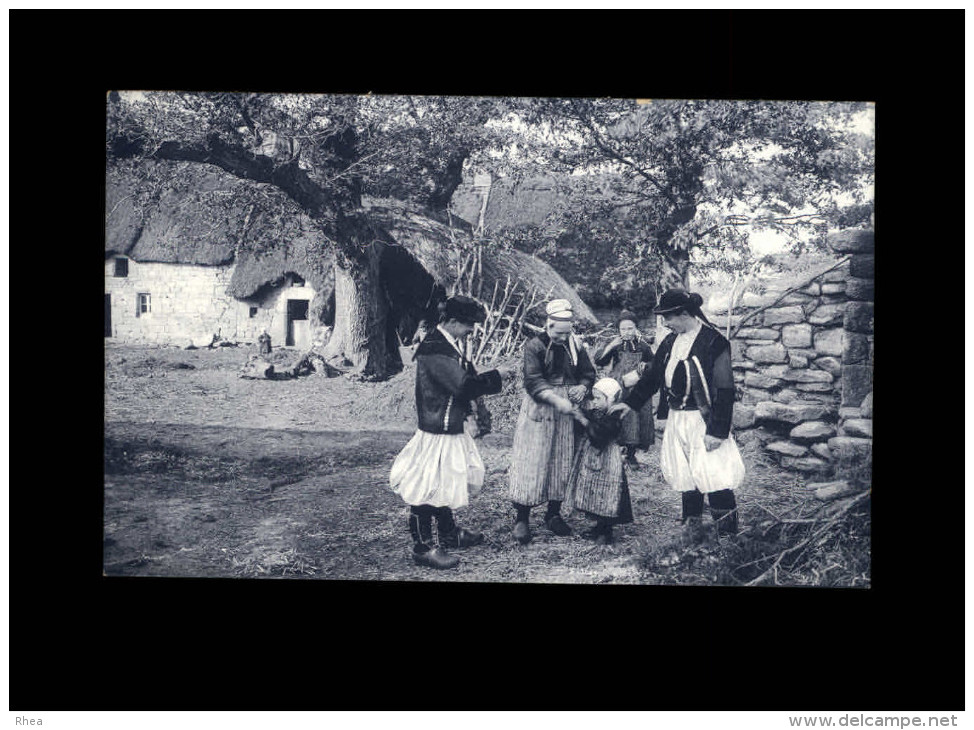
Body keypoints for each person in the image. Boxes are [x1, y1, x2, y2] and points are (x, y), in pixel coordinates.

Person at [609, 289, 745, 543]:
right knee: (687, 475)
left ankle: (728, 538)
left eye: (668, 318)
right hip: (678, 418)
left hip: (704, 420)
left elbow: (725, 389)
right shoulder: (671, 342)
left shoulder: (714, 342)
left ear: (683, 314)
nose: (666, 324)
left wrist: (717, 431)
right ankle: (692, 532)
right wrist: (628, 404)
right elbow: (652, 378)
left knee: (715, 476)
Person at [390, 295, 514, 569]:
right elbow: (463, 387)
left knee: (444, 480)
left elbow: (463, 380)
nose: (472, 330)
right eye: (469, 324)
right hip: (437, 428)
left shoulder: (447, 344)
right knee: (427, 486)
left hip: (448, 426)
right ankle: (422, 547)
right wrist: (496, 376)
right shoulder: (435, 349)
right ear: (453, 321)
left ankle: (448, 533)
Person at [508, 299, 597, 544]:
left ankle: (553, 513)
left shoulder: (575, 346)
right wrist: (556, 399)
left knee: (562, 460)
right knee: (532, 462)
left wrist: (583, 386)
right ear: (548, 326)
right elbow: (533, 381)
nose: (562, 338)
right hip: (541, 409)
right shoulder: (534, 346)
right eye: (558, 334)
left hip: (567, 413)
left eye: (566, 333)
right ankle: (522, 517)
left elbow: (589, 373)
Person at [562, 377, 634, 545]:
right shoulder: (599, 412)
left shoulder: (615, 416)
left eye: (599, 398)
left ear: (613, 399)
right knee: (595, 492)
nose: (595, 402)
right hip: (594, 459)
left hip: (608, 461)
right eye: (593, 398)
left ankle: (606, 530)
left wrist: (582, 419)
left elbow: (600, 436)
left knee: (608, 494)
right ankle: (599, 526)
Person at [593, 309, 655, 468]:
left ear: (635, 328)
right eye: (623, 329)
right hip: (619, 384)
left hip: (637, 385)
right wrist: (611, 346)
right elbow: (599, 360)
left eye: (630, 328)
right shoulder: (616, 345)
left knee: (636, 416)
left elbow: (653, 364)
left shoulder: (644, 346)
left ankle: (631, 454)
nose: (627, 332)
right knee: (619, 416)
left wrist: (644, 367)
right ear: (619, 330)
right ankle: (615, 449)